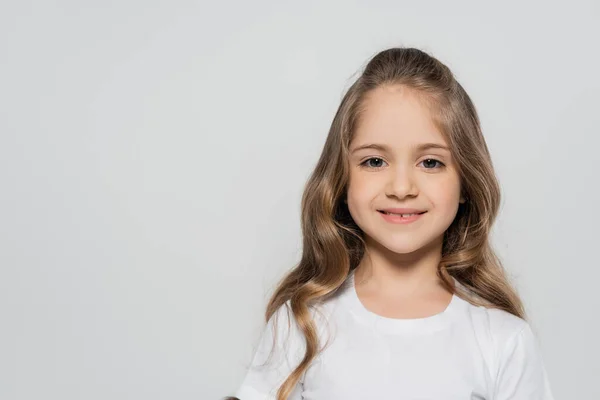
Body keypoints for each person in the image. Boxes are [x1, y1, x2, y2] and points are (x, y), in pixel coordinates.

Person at [225, 47, 555, 400]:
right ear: (341, 177)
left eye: (430, 163)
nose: (401, 188)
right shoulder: (301, 325)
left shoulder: (503, 340)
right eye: (374, 161)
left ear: (465, 182)